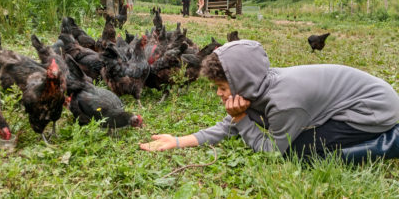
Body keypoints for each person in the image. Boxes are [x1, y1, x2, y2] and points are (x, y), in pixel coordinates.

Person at [140, 40, 399, 162]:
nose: (219, 94)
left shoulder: (285, 103)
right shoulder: (258, 85)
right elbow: (228, 124)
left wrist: (242, 119)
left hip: (372, 109)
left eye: (221, 87)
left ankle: (392, 142)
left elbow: (273, 150)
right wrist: (178, 141)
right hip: (357, 101)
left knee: (300, 152)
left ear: (241, 81)